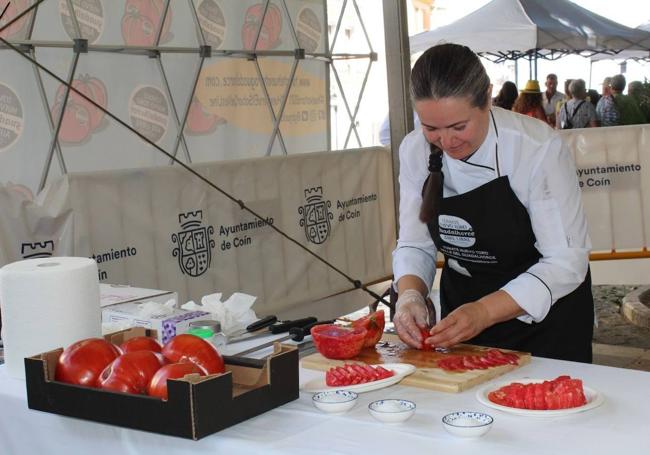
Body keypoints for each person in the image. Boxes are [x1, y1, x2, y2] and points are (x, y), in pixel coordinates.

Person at [392, 43, 594, 363]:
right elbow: (415, 245)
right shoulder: (414, 150)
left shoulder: (535, 148)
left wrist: (485, 312)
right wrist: (410, 295)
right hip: (462, 309)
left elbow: (566, 261)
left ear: (487, 97)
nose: (446, 141)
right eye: (431, 128)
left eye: (459, 127)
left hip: (545, 319)